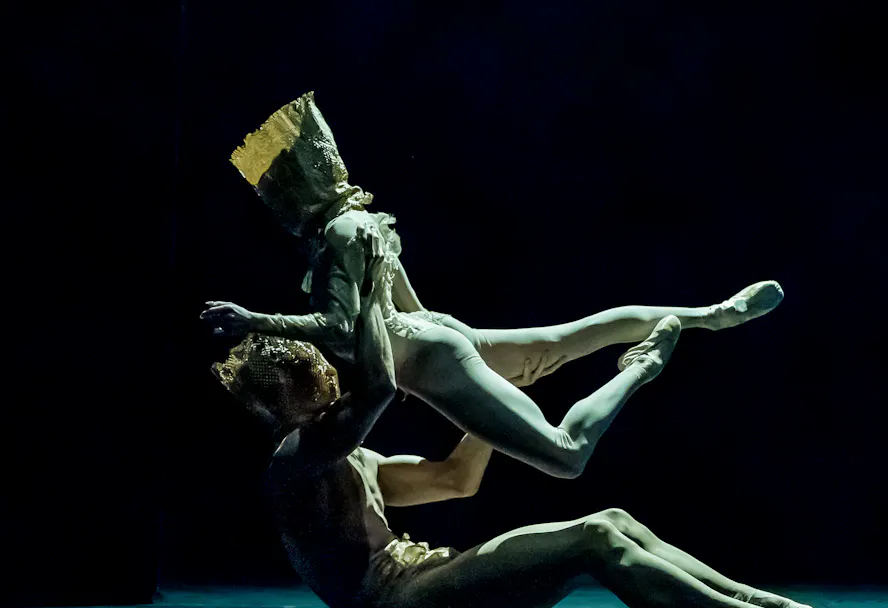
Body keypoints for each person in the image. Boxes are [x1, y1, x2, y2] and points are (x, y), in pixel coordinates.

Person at [209, 260, 857, 608]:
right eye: (313, 377)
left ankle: (763, 605)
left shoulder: (355, 458)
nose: (329, 379)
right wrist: (367, 281)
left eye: (323, 369)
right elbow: (378, 389)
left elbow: (455, 478)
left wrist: (493, 408)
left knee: (615, 520)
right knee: (596, 541)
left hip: (435, 589)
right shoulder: (295, 461)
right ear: (279, 403)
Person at [202, 90, 784, 480]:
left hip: (429, 358)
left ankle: (643, 365)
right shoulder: (362, 222)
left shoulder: (335, 234)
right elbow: (406, 299)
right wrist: (452, 336)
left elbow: (336, 326)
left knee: (565, 457)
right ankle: (713, 312)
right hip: (432, 335)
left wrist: (251, 318)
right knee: (563, 340)